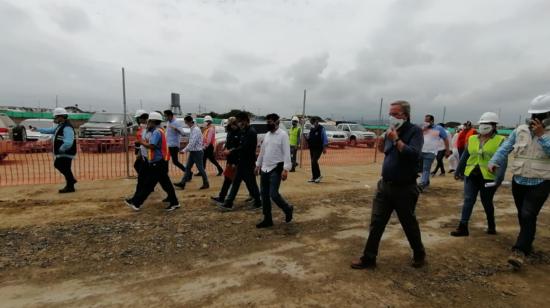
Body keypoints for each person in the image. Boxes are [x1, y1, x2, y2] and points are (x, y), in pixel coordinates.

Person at [351, 100, 425, 269]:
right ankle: (369, 258)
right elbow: (385, 151)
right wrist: (382, 141)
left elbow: (413, 154)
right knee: (376, 222)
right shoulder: (391, 131)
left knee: (408, 223)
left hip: (405, 188)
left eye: (395, 114)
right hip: (385, 186)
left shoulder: (415, 132)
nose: (391, 117)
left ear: (405, 115)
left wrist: (396, 139)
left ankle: (419, 253)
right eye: (390, 114)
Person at [488, 94, 550, 270]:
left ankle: (519, 251)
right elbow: (506, 147)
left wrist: (542, 136)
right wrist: (494, 161)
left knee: (528, 214)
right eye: (533, 115)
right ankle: (527, 240)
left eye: (541, 116)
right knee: (523, 214)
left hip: (541, 181)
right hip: (519, 179)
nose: (536, 119)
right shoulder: (520, 130)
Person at [451, 112, 506, 237]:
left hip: (489, 176)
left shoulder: (500, 140)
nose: (484, 126)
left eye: (487, 124)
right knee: (468, 199)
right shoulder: (472, 138)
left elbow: (503, 161)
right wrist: (458, 170)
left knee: (486, 201)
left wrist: (499, 178)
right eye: (482, 123)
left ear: (494, 126)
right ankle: (463, 227)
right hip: (471, 174)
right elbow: (465, 155)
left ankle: (491, 225)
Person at [125, 112, 180, 211]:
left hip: (158, 162)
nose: (148, 122)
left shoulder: (157, 132)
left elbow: (152, 146)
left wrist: (141, 142)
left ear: (153, 121)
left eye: (149, 121)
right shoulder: (159, 130)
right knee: (165, 183)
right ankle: (174, 202)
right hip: (159, 161)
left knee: (149, 184)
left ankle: (137, 203)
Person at [254, 113, 294, 228]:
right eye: (267, 121)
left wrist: (286, 169)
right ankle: (267, 219)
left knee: (274, 194)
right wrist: (258, 165)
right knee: (264, 195)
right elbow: (262, 151)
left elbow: (287, 152)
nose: (268, 124)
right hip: (264, 168)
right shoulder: (267, 135)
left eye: (270, 121)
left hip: (276, 168)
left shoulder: (283, 135)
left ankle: (287, 208)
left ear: (277, 122)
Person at [217, 112, 262, 210]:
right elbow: (239, 145)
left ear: (245, 121)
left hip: (248, 162)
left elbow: (244, 147)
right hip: (241, 162)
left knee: (251, 183)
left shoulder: (251, 132)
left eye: (240, 122)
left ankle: (258, 202)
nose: (239, 124)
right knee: (237, 182)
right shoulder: (244, 131)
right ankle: (229, 203)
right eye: (238, 122)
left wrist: (231, 151)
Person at [36, 107, 77, 193]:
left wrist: (62, 149)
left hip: (66, 152)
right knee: (65, 168)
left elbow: (68, 142)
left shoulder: (67, 127)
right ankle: (70, 184)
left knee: (58, 165)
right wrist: (38, 129)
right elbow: (51, 130)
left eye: (56, 117)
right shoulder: (61, 126)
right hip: (63, 152)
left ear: (61, 117)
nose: (55, 119)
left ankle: (71, 182)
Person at [175, 116, 209, 190]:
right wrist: (186, 149)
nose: (185, 123)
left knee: (200, 169)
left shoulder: (195, 130)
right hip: (194, 151)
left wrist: (184, 150)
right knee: (188, 168)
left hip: (197, 152)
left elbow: (192, 143)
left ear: (189, 121)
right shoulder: (193, 129)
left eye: (185, 122)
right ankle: (182, 183)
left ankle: (206, 183)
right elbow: (191, 142)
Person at [211, 117, 241, 203]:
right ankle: (222, 197)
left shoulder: (240, 133)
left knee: (244, 180)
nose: (229, 126)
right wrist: (225, 149)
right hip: (230, 160)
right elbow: (228, 144)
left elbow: (240, 147)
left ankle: (256, 197)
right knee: (228, 179)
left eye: (230, 124)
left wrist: (230, 151)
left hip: (236, 160)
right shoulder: (230, 133)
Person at [419, 115, 450, 190]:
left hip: (431, 152)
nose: (426, 122)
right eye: (425, 121)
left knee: (426, 168)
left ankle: (422, 184)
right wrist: (423, 129)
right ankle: (426, 182)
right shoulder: (422, 128)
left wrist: (447, 150)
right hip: (421, 151)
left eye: (427, 121)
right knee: (422, 169)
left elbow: (445, 139)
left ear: (432, 121)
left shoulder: (439, 128)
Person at [164, 110, 187, 175]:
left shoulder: (176, 122)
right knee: (166, 160)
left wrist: (176, 129)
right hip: (168, 145)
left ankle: (188, 172)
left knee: (175, 162)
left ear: (170, 116)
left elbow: (183, 133)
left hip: (174, 145)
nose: (165, 117)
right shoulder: (168, 122)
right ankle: (165, 174)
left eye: (165, 116)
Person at [307, 117, 328, 183]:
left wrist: (324, 148)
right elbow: (310, 138)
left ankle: (318, 176)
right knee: (312, 162)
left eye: (313, 123)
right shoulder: (312, 129)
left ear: (316, 122)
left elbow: (325, 138)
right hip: (312, 148)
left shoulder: (321, 129)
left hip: (319, 148)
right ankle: (314, 177)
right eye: (311, 123)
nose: (312, 124)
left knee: (314, 161)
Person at [133, 110, 149, 174]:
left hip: (144, 149)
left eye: (138, 118)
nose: (138, 120)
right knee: (139, 166)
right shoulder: (140, 127)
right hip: (141, 148)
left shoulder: (146, 127)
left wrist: (140, 152)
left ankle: (143, 178)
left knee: (138, 165)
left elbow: (144, 140)